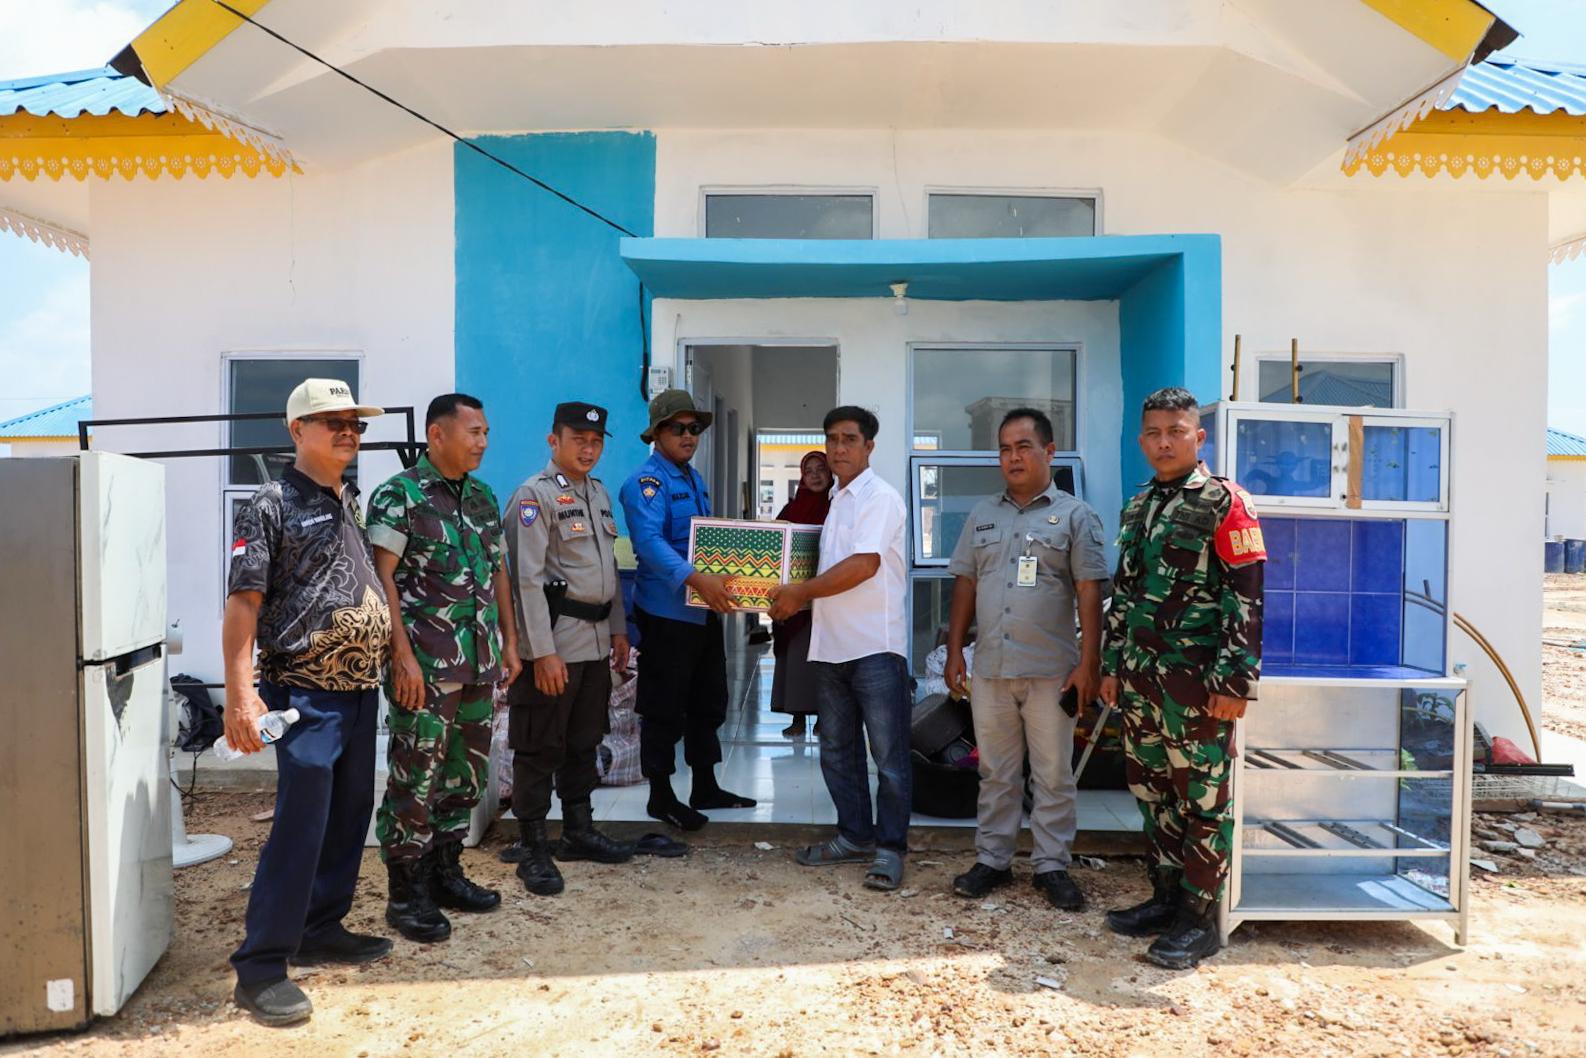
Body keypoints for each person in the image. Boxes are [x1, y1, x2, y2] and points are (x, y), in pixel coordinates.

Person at [223, 378, 392, 1027]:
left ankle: (320, 926)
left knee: (349, 815)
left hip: (359, 690)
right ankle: (261, 967)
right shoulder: (270, 504)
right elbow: (244, 602)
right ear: (298, 430)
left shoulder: (345, 497)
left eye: (355, 423)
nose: (348, 432)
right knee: (301, 824)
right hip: (304, 692)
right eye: (333, 422)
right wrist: (241, 695)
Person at [1100, 386, 1265, 970]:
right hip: (1142, 681)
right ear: (1141, 440)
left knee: (1203, 799)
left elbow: (1247, 597)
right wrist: (1111, 667)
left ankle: (1199, 921)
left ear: (1199, 437)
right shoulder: (1138, 505)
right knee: (1153, 792)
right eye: (1153, 433)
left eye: (1175, 432)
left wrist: (1234, 683)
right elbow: (1123, 594)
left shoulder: (1226, 503)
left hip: (1198, 686)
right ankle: (1166, 897)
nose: (1164, 443)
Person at [942, 408, 1110, 910]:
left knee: (1053, 774)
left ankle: (1051, 865)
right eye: (1004, 449)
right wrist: (955, 649)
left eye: (1023, 447)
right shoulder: (982, 514)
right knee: (996, 771)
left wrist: (1089, 664)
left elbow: (1090, 592)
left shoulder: (1076, 516)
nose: (1013, 457)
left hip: (1051, 672)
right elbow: (966, 583)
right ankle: (992, 860)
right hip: (991, 667)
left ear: (1049, 452)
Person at [367, 393, 520, 943]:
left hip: (478, 662)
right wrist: (401, 657)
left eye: (486, 433)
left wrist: (510, 642)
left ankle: (445, 871)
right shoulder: (399, 496)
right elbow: (381, 580)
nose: (483, 442)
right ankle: (405, 892)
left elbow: (498, 572)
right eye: (474, 432)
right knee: (416, 777)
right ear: (437, 434)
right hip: (425, 667)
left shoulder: (482, 496)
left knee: (465, 774)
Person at [769, 406, 910, 892]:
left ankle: (890, 849)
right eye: (832, 439)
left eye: (849, 439)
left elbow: (863, 566)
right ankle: (854, 836)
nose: (839, 448)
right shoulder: (833, 500)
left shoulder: (879, 498)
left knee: (888, 758)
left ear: (869, 446)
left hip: (874, 647)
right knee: (836, 751)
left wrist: (799, 594)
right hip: (830, 648)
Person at [500, 401, 634, 895]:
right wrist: (541, 653)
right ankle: (533, 846)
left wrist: (618, 630)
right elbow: (525, 581)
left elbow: (609, 568)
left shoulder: (598, 493)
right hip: (555, 643)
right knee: (539, 746)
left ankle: (579, 830)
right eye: (578, 439)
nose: (588, 449)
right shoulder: (533, 497)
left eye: (596, 442)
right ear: (553, 441)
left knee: (584, 741)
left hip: (595, 644)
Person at [618, 388, 755, 831]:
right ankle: (660, 795)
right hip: (666, 615)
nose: (688, 435)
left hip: (702, 610)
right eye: (677, 428)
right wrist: (698, 579)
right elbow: (649, 543)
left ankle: (705, 786)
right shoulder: (646, 483)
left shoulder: (692, 479)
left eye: (694, 428)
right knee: (663, 707)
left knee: (708, 700)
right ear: (657, 433)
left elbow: (704, 541)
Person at [771, 450, 833, 739]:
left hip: (826, 597)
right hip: (794, 601)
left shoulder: (836, 507)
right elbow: (774, 546)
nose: (816, 475)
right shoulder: (791, 510)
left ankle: (823, 716)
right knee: (794, 658)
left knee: (823, 660)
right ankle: (796, 717)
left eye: (821, 469)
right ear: (802, 477)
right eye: (810, 471)